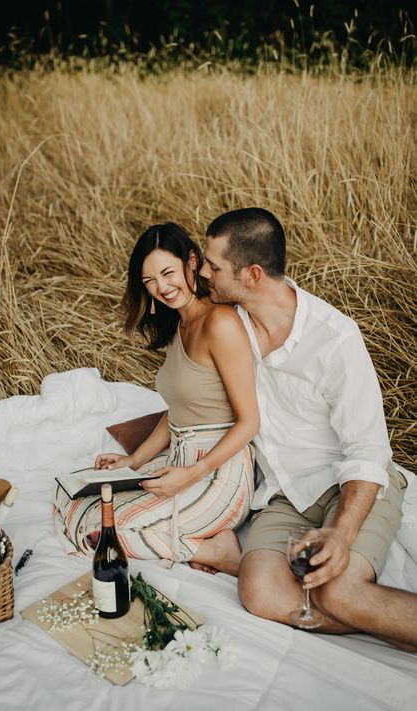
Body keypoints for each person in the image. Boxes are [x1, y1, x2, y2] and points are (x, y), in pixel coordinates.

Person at [199, 206, 417, 651]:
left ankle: (361, 608)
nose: (202, 272)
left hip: (348, 487)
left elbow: (367, 450)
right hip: (283, 496)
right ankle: (387, 625)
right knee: (260, 594)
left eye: (213, 265)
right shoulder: (229, 324)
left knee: (339, 591)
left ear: (252, 274)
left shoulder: (335, 338)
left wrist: (341, 532)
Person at [53, 222, 259, 574]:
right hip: (178, 459)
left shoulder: (219, 323)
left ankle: (219, 553)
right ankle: (195, 544)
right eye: (150, 281)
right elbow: (178, 411)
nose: (162, 288)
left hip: (218, 472)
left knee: (96, 535)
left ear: (191, 261)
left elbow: (250, 422)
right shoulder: (180, 325)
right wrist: (132, 461)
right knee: (67, 499)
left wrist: (193, 473)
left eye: (167, 273)